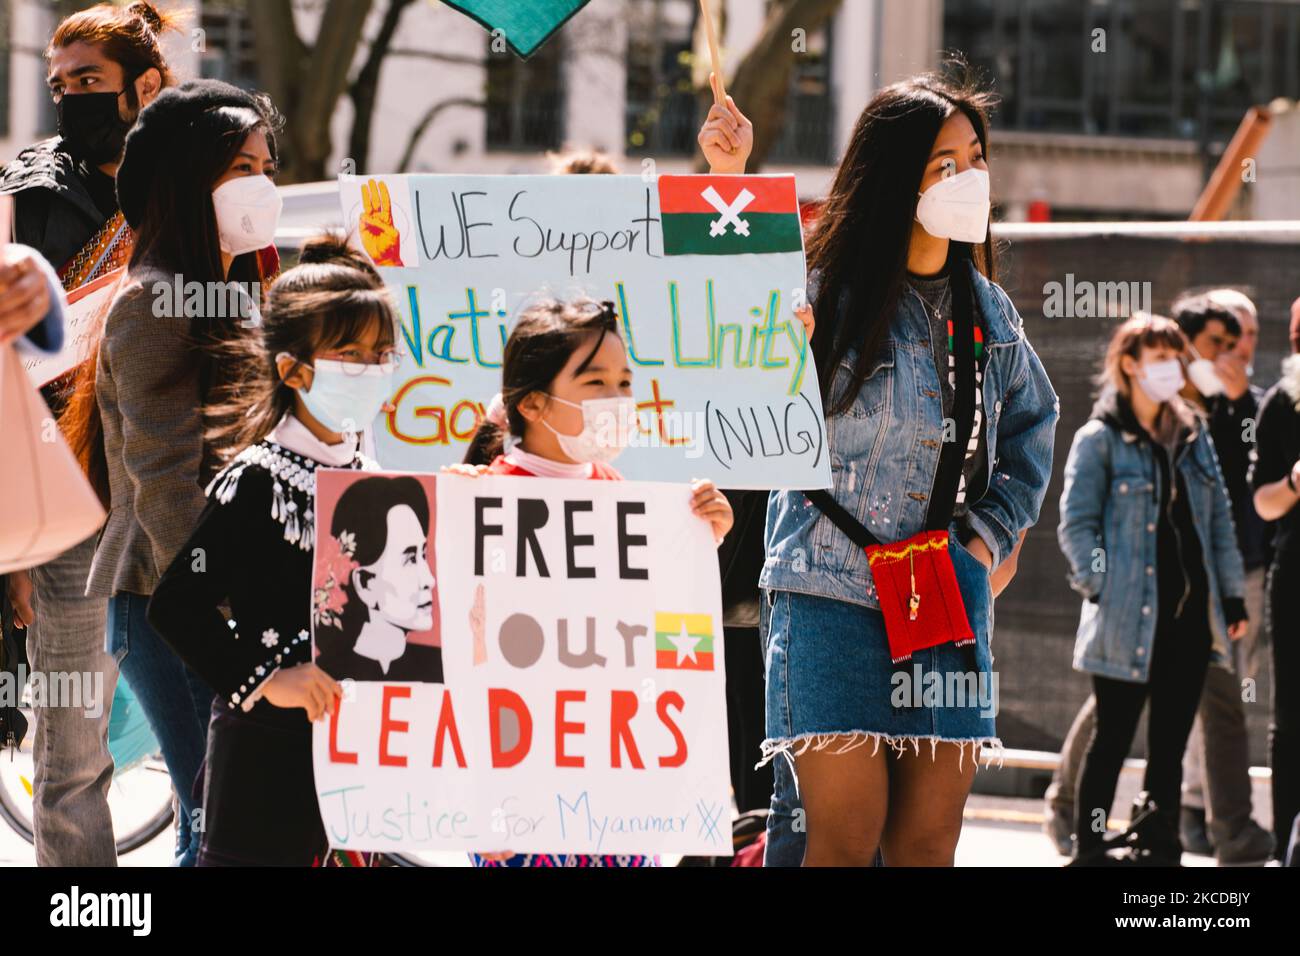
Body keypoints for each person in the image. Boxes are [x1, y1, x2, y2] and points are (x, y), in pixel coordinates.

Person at [757, 69, 1058, 867]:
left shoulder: (988, 310)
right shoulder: (818, 294)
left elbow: (1036, 423)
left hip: (945, 598)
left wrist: (988, 539)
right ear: (897, 179)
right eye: (943, 165)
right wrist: (726, 177)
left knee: (929, 844)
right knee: (843, 840)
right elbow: (725, 341)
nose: (970, 180)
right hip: (828, 593)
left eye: (976, 157)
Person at [455, 294, 734, 866]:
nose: (617, 401)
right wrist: (455, 519)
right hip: (523, 791)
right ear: (532, 403)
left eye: (624, 383)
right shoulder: (485, 495)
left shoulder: (622, 495)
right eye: (596, 383)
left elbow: (657, 626)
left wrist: (702, 542)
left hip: (615, 793)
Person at [147, 234, 395, 865]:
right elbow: (176, 604)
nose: (371, 368)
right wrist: (268, 680)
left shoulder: (368, 474)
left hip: (354, 758)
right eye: (350, 353)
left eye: (381, 353)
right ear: (293, 369)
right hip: (263, 756)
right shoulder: (258, 480)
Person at [86, 78, 283, 866]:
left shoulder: (234, 295)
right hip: (170, 600)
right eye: (241, 166)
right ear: (187, 179)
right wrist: (222, 603)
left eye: (268, 164)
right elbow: (165, 482)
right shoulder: (154, 302)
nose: (261, 184)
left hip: (210, 598)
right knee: (215, 816)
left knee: (224, 814)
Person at [0, 0, 178, 867]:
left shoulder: (201, 181)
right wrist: (22, 544)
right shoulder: (30, 196)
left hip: (185, 495)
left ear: (144, 86)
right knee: (69, 760)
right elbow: (13, 378)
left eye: (89, 82)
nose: (70, 97)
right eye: (59, 82)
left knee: (221, 732)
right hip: (78, 501)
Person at [1044, 292, 1274, 865]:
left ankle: (1158, 840)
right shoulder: (1101, 439)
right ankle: (1088, 839)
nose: (1172, 365)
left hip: (1192, 617)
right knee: (1112, 733)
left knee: (1168, 745)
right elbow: (1076, 525)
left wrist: (1226, 595)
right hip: (1126, 614)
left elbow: (1219, 521)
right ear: (1129, 362)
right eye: (1159, 355)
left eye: (1175, 354)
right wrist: (1101, 587)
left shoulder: (1196, 430)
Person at [1249, 294, 1300, 862]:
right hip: (1295, 577)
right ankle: (1289, 842)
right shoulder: (1283, 404)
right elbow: (1262, 503)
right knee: (1291, 720)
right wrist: (1294, 482)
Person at [313, 476, 442, 683]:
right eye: (410, 559)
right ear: (365, 584)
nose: (429, 579)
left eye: (424, 555)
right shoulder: (322, 677)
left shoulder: (442, 669)